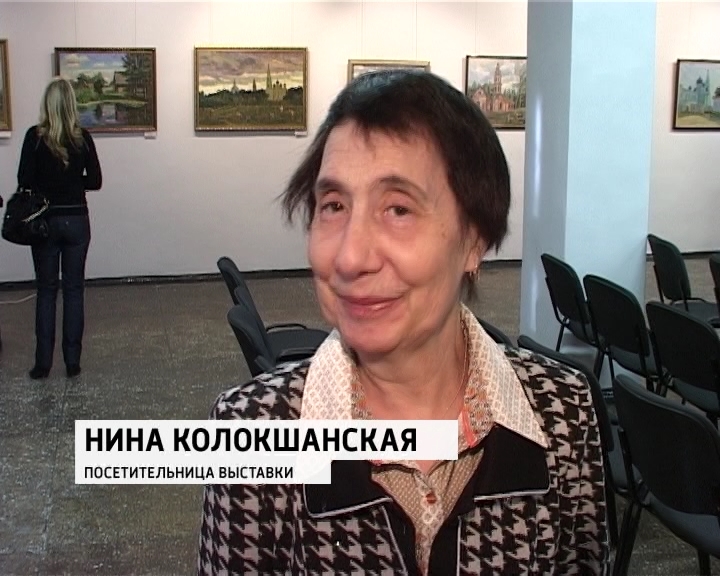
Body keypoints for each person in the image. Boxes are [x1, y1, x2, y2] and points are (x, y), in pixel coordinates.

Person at [197, 70, 608, 574]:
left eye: (397, 209)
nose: (350, 257)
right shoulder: (249, 430)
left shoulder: (563, 411)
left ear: (474, 240)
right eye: (333, 206)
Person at [17, 78, 102, 379]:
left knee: (46, 291)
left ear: (47, 104)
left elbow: (24, 180)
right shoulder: (83, 138)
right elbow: (95, 181)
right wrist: (72, 183)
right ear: (71, 105)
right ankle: (72, 361)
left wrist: (48, 185)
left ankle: (43, 364)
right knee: (74, 290)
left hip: (46, 222)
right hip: (77, 220)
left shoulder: (34, 137)